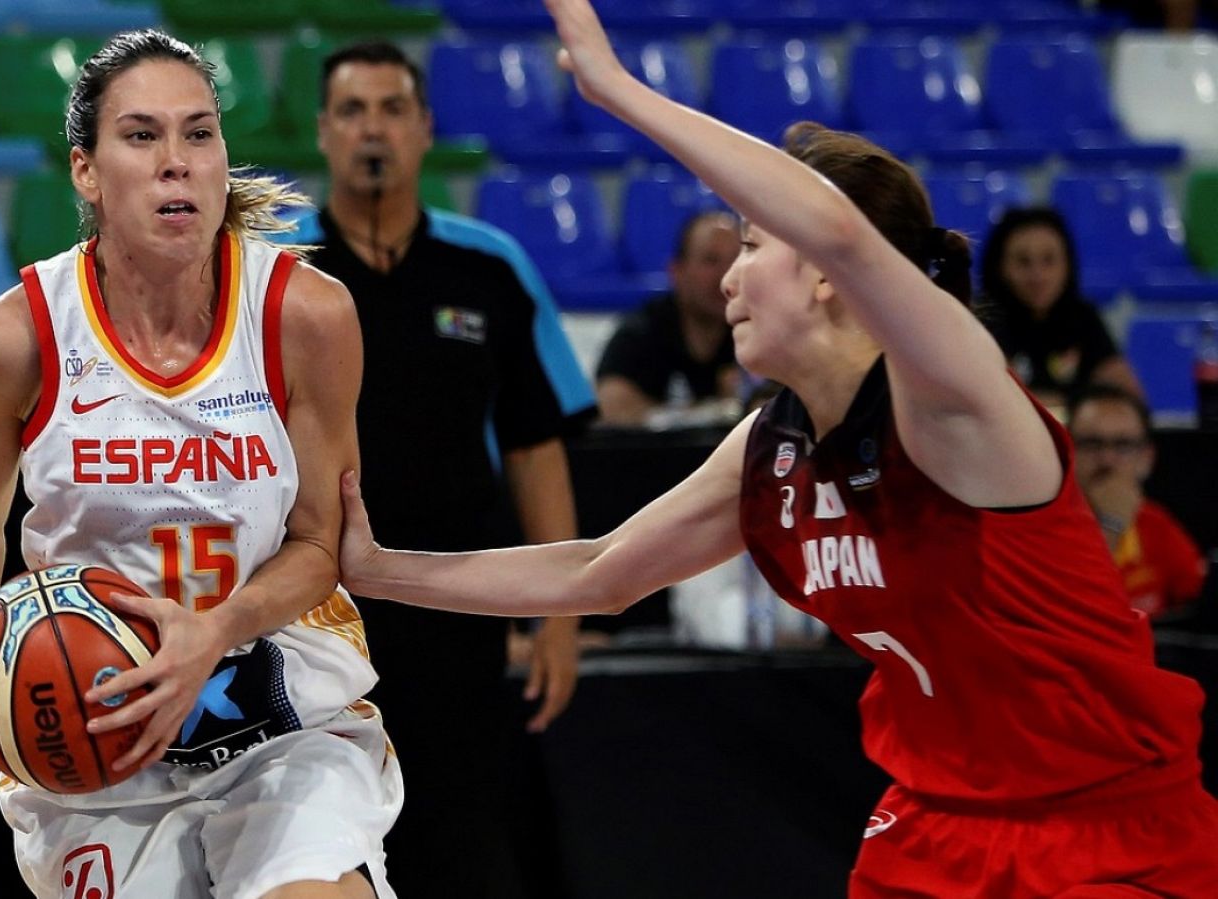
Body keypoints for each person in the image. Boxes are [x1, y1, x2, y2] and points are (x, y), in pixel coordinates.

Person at [336, 0, 1218, 895]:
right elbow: (596, 572)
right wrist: (374, 568)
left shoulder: (953, 400)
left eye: (752, 245)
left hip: (1103, 826)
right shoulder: (775, 442)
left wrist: (619, 92)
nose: (727, 278)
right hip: (936, 820)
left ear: (828, 274)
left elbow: (839, 227)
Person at [0, 29, 401, 899]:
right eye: (141, 135)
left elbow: (321, 545)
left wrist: (214, 631)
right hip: (93, 733)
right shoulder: (15, 335)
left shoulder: (303, 315)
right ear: (86, 171)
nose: (176, 161)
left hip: (279, 716)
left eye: (199, 133)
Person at [286, 40, 595, 899]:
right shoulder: (277, 274)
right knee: (328, 845)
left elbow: (535, 444)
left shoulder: (489, 268)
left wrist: (561, 613)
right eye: (353, 111)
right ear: (324, 132)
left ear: (424, 129)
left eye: (392, 109)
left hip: (461, 608)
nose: (372, 129)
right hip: (316, 611)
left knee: (462, 843)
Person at [979, 206, 1141, 409]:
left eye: (1049, 260)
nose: (1037, 276)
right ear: (999, 267)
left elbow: (1126, 397)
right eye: (1023, 262)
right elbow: (989, 400)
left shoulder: (1084, 318)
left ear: (1067, 265)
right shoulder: (982, 323)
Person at [1069, 384, 1208, 619]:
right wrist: (1110, 523)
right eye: (1092, 443)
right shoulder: (1045, 528)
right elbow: (1072, 608)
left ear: (1147, 457)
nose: (1107, 460)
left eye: (1123, 445)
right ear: (1067, 451)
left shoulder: (1156, 524)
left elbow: (1200, 601)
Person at [595, 210, 743, 427]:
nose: (726, 275)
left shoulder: (753, 330)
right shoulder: (641, 333)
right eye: (711, 261)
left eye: (735, 261)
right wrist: (714, 411)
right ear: (677, 272)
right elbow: (611, 407)